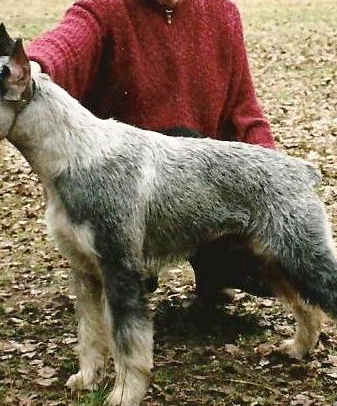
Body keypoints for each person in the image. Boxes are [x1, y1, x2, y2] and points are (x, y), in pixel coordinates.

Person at [26, 0, 276, 303]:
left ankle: (215, 269)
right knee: (125, 281)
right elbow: (67, 43)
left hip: (204, 183)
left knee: (269, 269)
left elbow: (244, 107)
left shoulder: (223, 12)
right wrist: (31, 67)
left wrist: (271, 178)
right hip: (127, 190)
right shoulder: (104, 8)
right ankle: (140, 270)